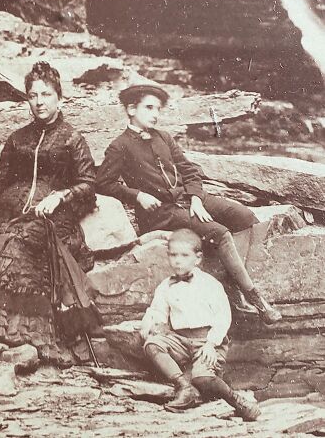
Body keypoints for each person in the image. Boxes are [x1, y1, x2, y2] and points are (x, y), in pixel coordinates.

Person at [95, 83, 281, 324]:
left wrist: (195, 197)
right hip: (161, 212)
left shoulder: (164, 137)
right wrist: (137, 195)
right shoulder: (119, 146)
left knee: (243, 215)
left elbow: (189, 170)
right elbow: (103, 183)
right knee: (220, 233)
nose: (155, 114)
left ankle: (233, 285)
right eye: (149, 108)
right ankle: (254, 297)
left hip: (187, 198)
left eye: (158, 109)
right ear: (131, 109)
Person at [0, 61, 98, 364]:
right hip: (9, 207)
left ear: (59, 97)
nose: (39, 101)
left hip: (51, 214)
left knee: (16, 243)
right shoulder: (17, 138)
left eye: (46, 94)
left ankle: (12, 333)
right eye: (33, 95)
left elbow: (88, 184)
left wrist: (60, 196)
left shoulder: (72, 139)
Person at [141, 228, 260, 420]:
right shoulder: (166, 286)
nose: (177, 260)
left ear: (197, 258)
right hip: (180, 340)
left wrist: (211, 344)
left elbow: (223, 317)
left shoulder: (209, 284)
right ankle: (183, 386)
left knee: (202, 377)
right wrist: (149, 325)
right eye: (173, 255)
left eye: (184, 255)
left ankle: (236, 400)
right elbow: (157, 312)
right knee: (152, 344)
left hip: (207, 342)